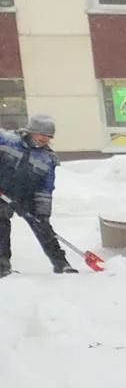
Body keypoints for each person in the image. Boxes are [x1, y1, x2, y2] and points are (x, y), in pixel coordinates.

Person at [0, 113, 76, 277]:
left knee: (43, 226)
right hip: (2, 190)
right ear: (31, 131)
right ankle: (2, 267)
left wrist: (43, 213)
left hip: (26, 195)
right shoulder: (7, 141)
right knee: (1, 221)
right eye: (42, 134)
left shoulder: (47, 158)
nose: (46, 139)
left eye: (49, 136)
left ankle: (61, 264)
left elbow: (45, 188)